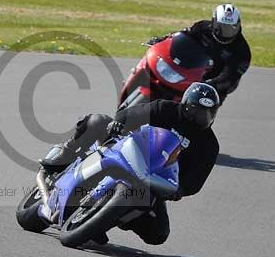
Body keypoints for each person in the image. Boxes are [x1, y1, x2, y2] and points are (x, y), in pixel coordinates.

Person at [41, 83, 221, 246]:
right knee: (98, 121)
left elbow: (196, 179)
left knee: (158, 234)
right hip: (128, 152)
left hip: (153, 179)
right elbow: (135, 113)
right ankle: (63, 155)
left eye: (208, 113)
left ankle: (102, 220)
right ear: (185, 104)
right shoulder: (165, 108)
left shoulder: (209, 145)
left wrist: (180, 190)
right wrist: (120, 122)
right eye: (196, 110)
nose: (201, 116)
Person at [148, 3, 251, 102]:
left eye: (231, 28)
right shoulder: (203, 27)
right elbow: (183, 35)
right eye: (221, 27)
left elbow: (230, 76)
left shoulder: (242, 52)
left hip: (216, 85)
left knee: (201, 107)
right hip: (192, 71)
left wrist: (211, 84)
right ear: (214, 22)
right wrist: (162, 40)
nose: (226, 33)